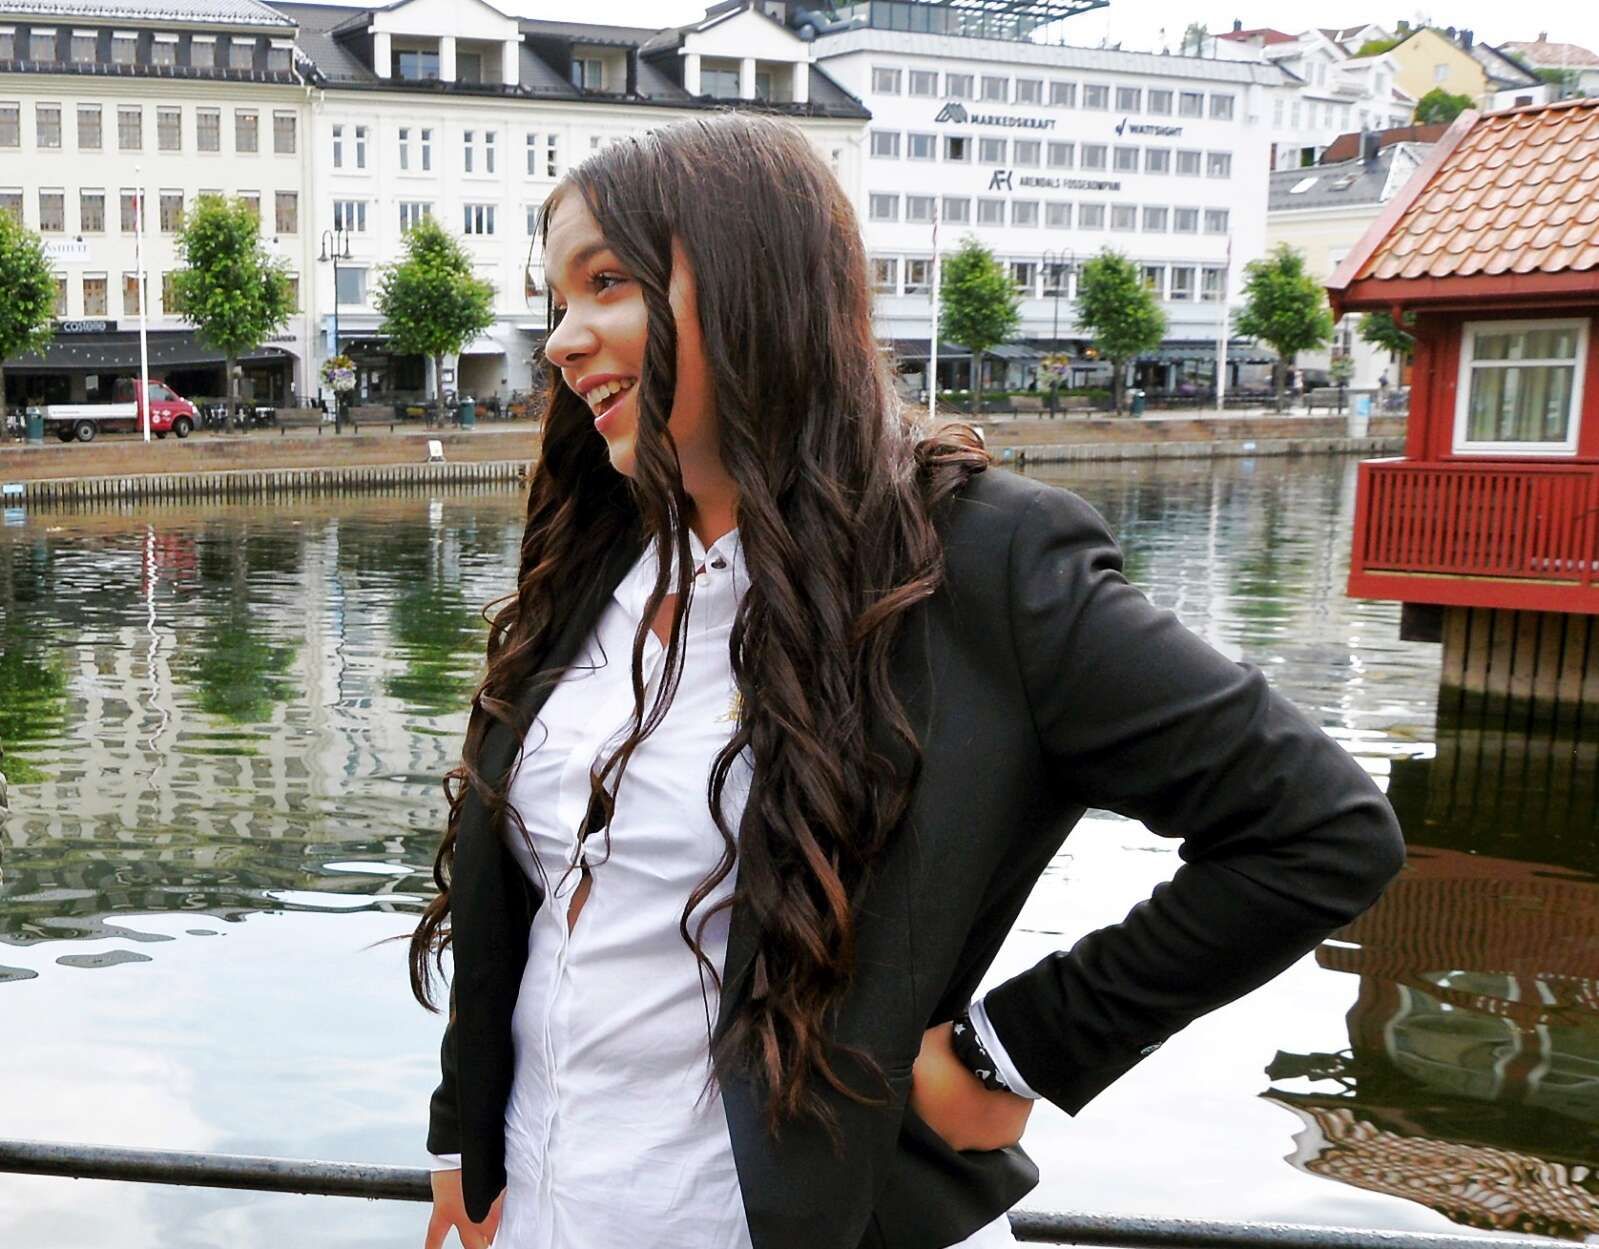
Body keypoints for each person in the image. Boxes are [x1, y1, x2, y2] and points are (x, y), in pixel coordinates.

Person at [410, 114, 1404, 1249]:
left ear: (753, 283)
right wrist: (463, 1139)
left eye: (606, 283)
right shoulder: (602, 551)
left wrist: (1015, 1047)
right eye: (555, 301)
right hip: (548, 1207)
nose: (561, 340)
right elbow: (532, 900)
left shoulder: (980, 559)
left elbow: (1317, 830)